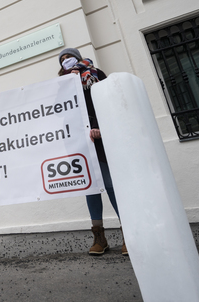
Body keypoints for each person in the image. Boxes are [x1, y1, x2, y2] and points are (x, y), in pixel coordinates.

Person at [57, 48, 127, 256]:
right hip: (80, 143)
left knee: (109, 184)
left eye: (68, 57)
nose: (66, 61)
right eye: (62, 60)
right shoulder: (62, 84)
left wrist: (100, 127)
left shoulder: (96, 74)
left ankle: (130, 232)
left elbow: (107, 102)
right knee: (91, 188)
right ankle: (99, 237)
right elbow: (61, 111)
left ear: (78, 58)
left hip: (100, 138)